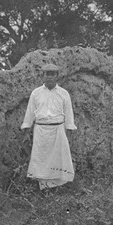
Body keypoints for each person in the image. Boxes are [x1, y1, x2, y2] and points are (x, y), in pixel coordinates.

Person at [21, 63, 76, 191]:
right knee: (41, 160)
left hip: (58, 131)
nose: (49, 77)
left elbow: (68, 113)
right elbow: (30, 112)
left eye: (52, 74)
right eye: (47, 74)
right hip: (41, 131)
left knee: (59, 160)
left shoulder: (63, 93)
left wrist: (69, 130)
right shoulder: (36, 93)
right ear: (43, 76)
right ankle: (43, 189)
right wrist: (26, 129)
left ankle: (57, 189)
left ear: (57, 76)